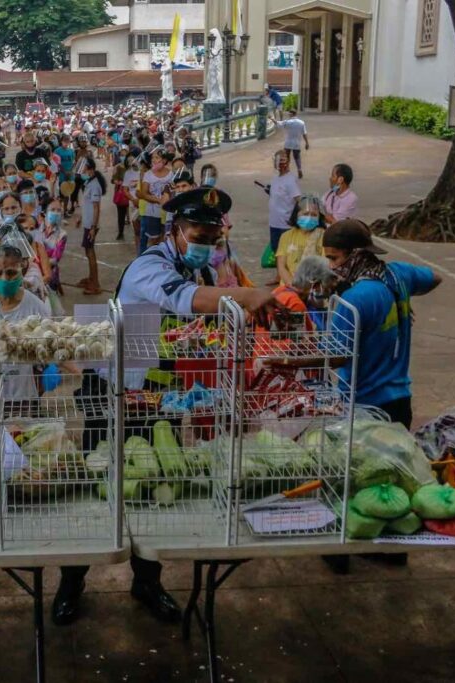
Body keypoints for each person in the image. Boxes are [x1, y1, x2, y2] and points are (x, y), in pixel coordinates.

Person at [104, 188, 277, 624]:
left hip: (158, 393)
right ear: (175, 230)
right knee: (102, 489)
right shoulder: (151, 265)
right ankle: (71, 584)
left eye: (213, 238)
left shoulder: (187, 265)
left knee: (155, 486)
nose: (207, 244)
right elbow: (186, 300)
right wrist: (245, 296)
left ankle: (147, 582)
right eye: (199, 234)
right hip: (116, 390)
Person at [324, 220, 441, 427]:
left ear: (356, 255)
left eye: (334, 258)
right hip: (400, 401)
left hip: (363, 406)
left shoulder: (352, 300)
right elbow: (434, 278)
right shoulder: (399, 274)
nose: (331, 266)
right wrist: (401, 301)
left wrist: (287, 361)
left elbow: (336, 357)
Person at [277, 194, 326, 286]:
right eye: (305, 214)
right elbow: (281, 266)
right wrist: (292, 285)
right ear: (296, 214)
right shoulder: (286, 236)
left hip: (313, 287)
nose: (309, 218)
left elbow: (325, 266)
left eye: (314, 215)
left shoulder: (324, 236)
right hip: (288, 286)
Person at [266, 150, 301, 271]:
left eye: (283, 160)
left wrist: (295, 218)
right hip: (274, 221)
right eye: (277, 160)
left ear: (288, 162)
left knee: (286, 251)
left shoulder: (291, 180)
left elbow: (298, 200)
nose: (280, 164)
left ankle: (287, 273)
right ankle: (279, 274)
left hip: (285, 222)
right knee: (276, 249)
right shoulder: (275, 178)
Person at [137, 148, 173, 255]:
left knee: (166, 238)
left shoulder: (171, 175)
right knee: (154, 240)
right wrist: (158, 200)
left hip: (167, 214)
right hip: (152, 213)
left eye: (157, 158)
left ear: (164, 160)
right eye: (152, 158)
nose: (154, 160)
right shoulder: (148, 174)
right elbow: (143, 193)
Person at [78, 158, 105, 296]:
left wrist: (93, 227)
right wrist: (80, 218)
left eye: (84, 169)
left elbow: (96, 208)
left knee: (90, 252)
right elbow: (87, 205)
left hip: (91, 225)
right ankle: (91, 278)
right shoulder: (88, 182)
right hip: (88, 223)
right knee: (88, 252)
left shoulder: (95, 185)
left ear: (91, 170)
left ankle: (95, 285)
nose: (82, 172)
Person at [272, 109, 308, 179]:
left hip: (288, 142)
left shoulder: (287, 122)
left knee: (287, 157)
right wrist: (307, 143)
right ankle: (299, 169)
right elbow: (304, 133)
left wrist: (272, 119)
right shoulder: (301, 123)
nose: (288, 115)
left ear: (291, 114)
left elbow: (278, 123)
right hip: (296, 142)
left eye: (289, 114)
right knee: (297, 157)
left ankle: (287, 170)